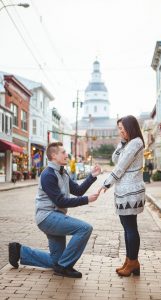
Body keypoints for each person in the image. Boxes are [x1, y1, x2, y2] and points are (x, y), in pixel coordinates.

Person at [8, 142, 101, 278]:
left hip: (56, 217)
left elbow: (78, 191)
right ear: (53, 155)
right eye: (63, 152)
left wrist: (91, 176)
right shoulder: (48, 175)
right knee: (84, 228)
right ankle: (65, 266)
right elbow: (60, 201)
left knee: (55, 261)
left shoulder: (63, 172)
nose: (66, 155)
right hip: (47, 217)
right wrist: (87, 200)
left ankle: (19, 251)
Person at [99, 115, 145, 277]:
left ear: (129, 127)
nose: (120, 131)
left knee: (130, 228)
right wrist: (122, 143)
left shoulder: (136, 143)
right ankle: (130, 261)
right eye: (118, 128)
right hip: (125, 192)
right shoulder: (129, 143)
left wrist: (106, 183)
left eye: (121, 128)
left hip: (130, 192)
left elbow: (121, 167)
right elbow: (115, 159)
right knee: (128, 228)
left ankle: (133, 262)